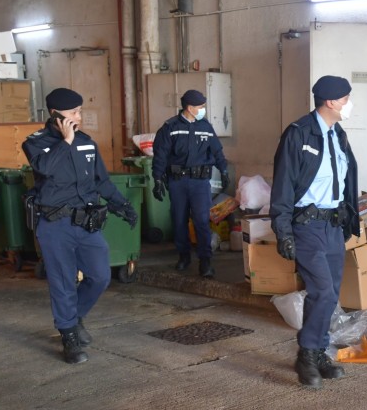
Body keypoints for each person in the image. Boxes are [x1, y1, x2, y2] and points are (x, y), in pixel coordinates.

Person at [23, 88, 138, 364]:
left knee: (100, 276)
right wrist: (66, 142)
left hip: (86, 222)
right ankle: (69, 336)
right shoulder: (36, 143)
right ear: (56, 115)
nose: (79, 116)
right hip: (54, 224)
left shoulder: (87, 143)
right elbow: (45, 169)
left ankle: (73, 317)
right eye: (74, 112)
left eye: (80, 110)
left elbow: (101, 181)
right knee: (62, 282)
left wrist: (121, 205)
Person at [269, 75, 360, 389]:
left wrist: (349, 221)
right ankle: (306, 354)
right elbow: (282, 185)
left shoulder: (339, 134)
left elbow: (346, 182)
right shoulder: (298, 134)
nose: (350, 104)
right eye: (347, 99)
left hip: (333, 226)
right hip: (306, 226)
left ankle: (319, 350)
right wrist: (283, 231)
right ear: (332, 102)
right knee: (321, 290)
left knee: (330, 294)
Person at [151, 89, 229, 278]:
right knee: (179, 221)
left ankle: (205, 261)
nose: (203, 110)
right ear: (190, 107)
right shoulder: (170, 127)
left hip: (200, 182)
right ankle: (184, 256)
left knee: (202, 221)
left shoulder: (206, 127)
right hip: (178, 182)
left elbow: (217, 151)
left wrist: (224, 170)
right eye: (201, 107)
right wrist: (158, 178)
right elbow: (160, 154)